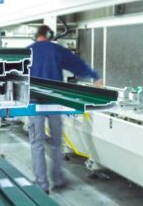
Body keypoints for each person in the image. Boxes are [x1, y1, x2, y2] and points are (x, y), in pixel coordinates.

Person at [28, 25, 102, 193]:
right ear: (49, 35)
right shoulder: (57, 50)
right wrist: (94, 76)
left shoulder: (28, 51)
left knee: (37, 143)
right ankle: (58, 180)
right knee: (56, 142)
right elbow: (77, 65)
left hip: (34, 104)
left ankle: (41, 184)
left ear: (36, 35)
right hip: (55, 102)